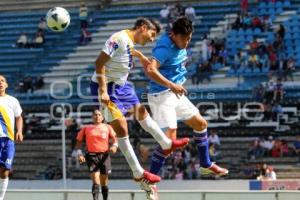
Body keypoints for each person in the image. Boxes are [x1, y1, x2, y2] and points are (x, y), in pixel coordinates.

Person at [90, 17, 189, 199]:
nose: (152, 39)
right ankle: (138, 173)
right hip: (107, 87)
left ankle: (166, 143)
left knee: (142, 111)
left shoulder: (127, 40)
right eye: (151, 34)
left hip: (122, 85)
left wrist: (141, 56)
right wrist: (103, 91)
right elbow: (99, 63)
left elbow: (127, 50)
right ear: (143, 28)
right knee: (122, 127)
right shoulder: (118, 38)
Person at [133, 17, 228, 182]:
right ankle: (149, 179)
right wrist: (171, 85)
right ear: (174, 35)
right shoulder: (164, 48)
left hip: (175, 93)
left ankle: (205, 164)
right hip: (161, 96)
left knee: (201, 124)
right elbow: (150, 70)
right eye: (184, 38)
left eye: (189, 38)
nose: (187, 42)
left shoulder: (180, 41)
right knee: (169, 143)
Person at [75, 110, 118, 200]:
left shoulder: (108, 127)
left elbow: (115, 139)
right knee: (95, 180)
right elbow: (78, 141)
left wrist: (114, 146)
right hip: (91, 156)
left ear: (102, 117)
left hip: (104, 156)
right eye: (95, 115)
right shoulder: (86, 128)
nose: (97, 116)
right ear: (92, 117)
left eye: (99, 115)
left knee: (104, 181)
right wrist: (80, 154)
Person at [0, 75, 24, 200]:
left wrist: (19, 131)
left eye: (2, 81)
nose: (0, 83)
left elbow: (18, 117)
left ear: (6, 85)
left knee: (5, 170)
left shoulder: (12, 100)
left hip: (8, 139)